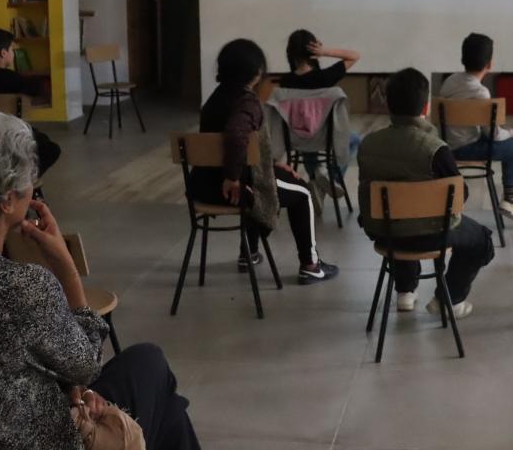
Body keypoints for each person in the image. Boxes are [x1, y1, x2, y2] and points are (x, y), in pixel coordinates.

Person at [0, 112, 199, 450]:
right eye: (27, 179)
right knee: (151, 366)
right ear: (6, 201)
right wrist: (65, 264)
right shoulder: (21, 286)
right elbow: (86, 366)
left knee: (163, 403)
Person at [197, 38, 339, 283]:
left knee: (268, 180)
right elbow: (236, 135)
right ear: (256, 73)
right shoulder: (246, 102)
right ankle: (311, 264)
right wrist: (231, 178)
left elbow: (238, 149)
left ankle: (249, 253)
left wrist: (269, 166)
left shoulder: (213, 100)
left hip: (203, 187)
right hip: (235, 189)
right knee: (303, 193)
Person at [358, 67, 495, 317]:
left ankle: (405, 292)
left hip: (383, 232)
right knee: (482, 240)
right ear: (425, 108)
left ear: (387, 105)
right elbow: (458, 196)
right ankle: (449, 299)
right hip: (429, 235)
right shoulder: (434, 149)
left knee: (397, 214)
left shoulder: (368, 144)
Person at [439, 33, 513, 223]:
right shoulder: (480, 92)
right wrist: (510, 134)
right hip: (468, 147)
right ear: (489, 64)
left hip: (447, 146)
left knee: (510, 142)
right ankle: (511, 199)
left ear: (462, 59)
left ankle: (512, 199)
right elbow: (492, 135)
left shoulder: (450, 81)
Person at [0, 28, 61, 179]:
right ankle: (24, 179)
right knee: (50, 148)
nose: (13, 52)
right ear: (3, 53)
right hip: (12, 131)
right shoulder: (12, 78)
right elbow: (36, 89)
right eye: (11, 48)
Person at [277, 29, 362, 181]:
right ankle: (333, 178)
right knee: (355, 139)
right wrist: (325, 51)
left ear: (290, 52)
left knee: (308, 134)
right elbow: (355, 56)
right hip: (326, 136)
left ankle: (316, 177)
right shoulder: (325, 77)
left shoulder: (285, 82)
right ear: (313, 51)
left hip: (296, 138)